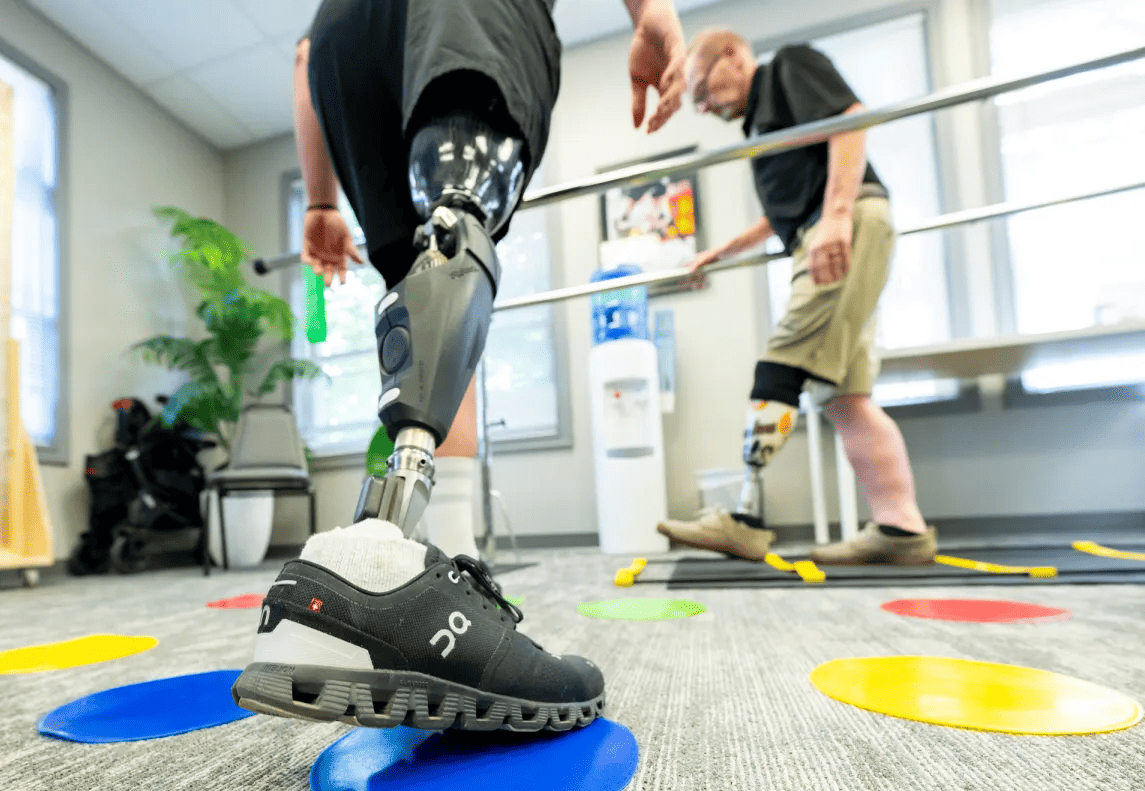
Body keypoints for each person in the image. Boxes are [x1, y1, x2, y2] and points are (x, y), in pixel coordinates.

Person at [232, 0, 688, 733]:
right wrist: (652, 11)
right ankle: (381, 566)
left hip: (341, 45)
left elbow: (301, 58)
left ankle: (427, 582)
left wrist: (319, 200)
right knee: (457, 228)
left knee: (424, 291)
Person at [656, 29, 937, 566]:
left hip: (842, 227)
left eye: (703, 91)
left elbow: (850, 120)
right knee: (846, 397)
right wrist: (726, 250)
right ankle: (902, 530)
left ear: (734, 56)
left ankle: (744, 521)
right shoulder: (763, 124)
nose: (707, 106)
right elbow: (788, 207)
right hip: (832, 227)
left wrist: (835, 216)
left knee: (779, 366)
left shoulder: (789, 67)